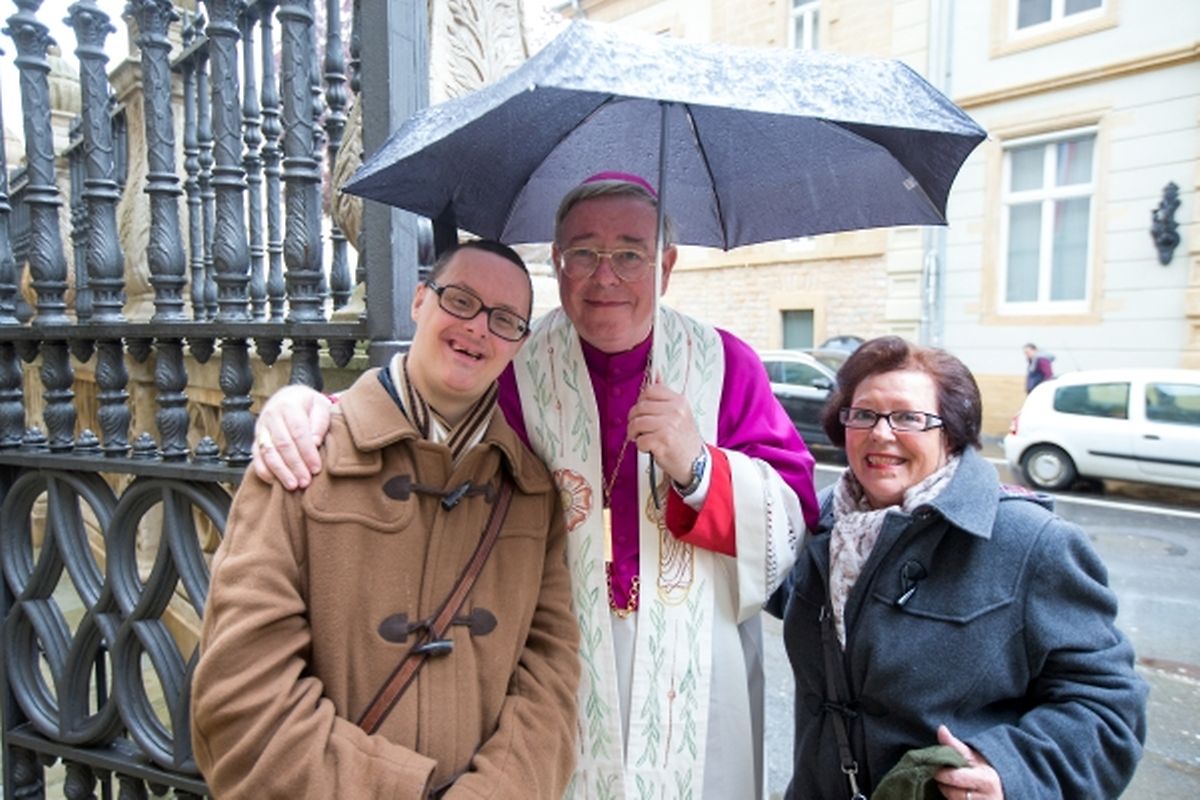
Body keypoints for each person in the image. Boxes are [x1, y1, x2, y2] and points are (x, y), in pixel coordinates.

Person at [251, 174, 820, 799]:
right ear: (556, 262)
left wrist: (698, 466)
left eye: (631, 253)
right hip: (552, 658)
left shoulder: (724, 363)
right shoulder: (517, 358)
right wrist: (311, 406)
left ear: (667, 265)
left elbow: (792, 520)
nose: (606, 277)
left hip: (695, 672)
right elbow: (426, 416)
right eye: (583, 253)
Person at [190, 240, 580, 799]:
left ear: (519, 343)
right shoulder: (305, 455)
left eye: (505, 319)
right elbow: (242, 694)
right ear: (421, 300)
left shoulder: (531, 490)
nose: (477, 329)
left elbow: (551, 680)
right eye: (461, 300)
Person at [766, 335, 1147, 799]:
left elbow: (1108, 707)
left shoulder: (1030, 542)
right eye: (863, 414)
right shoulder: (818, 523)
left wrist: (1007, 771)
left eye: (909, 417)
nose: (880, 433)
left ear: (951, 432)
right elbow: (756, 581)